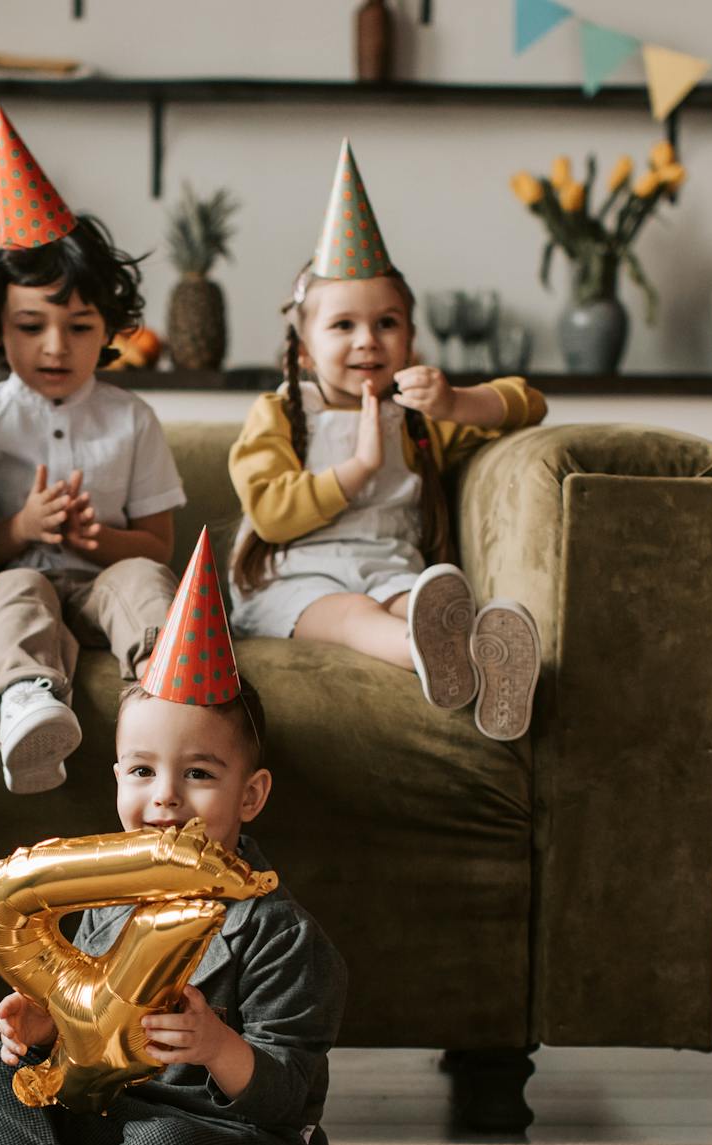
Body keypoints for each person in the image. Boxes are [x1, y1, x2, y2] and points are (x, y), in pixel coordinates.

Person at [0, 532, 347, 1145]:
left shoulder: (282, 934)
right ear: (117, 775)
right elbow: (91, 1031)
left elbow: (289, 1098)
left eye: (200, 773)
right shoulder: (109, 900)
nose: (166, 796)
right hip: (114, 1109)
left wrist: (218, 1046)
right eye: (143, 770)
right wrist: (47, 1028)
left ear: (250, 796)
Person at [227, 141, 548, 741]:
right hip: (299, 579)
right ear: (303, 350)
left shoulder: (420, 416)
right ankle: (433, 657)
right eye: (343, 325)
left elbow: (529, 402)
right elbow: (270, 513)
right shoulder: (281, 413)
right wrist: (359, 467)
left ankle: (483, 662)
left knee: (419, 601)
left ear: (411, 340)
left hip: (391, 571)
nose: (367, 340)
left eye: (386, 324)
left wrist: (455, 402)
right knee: (355, 618)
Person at [0, 106, 185, 793]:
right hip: (10, 588)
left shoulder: (132, 418)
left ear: (109, 328)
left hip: (99, 587)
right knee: (17, 587)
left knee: (145, 586)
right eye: (32, 326)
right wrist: (21, 528)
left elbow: (158, 546)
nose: (55, 347)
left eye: (79, 327)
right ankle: (29, 704)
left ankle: (163, 699)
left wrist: (98, 540)